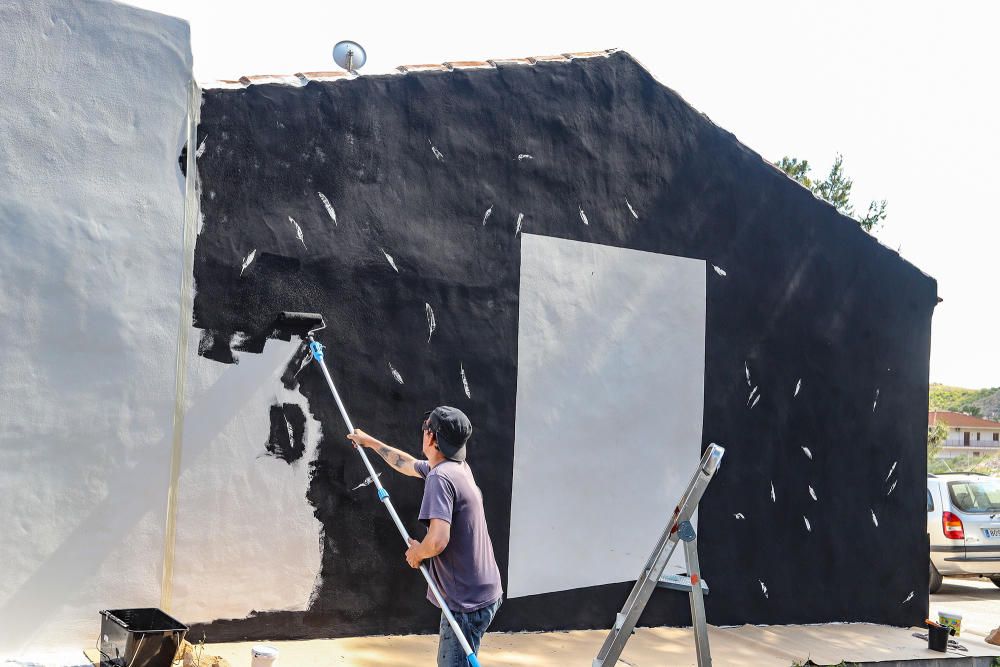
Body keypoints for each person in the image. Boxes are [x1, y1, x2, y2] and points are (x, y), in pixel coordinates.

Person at [347, 406, 503, 666]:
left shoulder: (440, 478)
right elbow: (406, 464)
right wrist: (370, 443)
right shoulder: (457, 468)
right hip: (484, 593)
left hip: (466, 603)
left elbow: (438, 541)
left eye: (425, 427)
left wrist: (417, 552)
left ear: (431, 437)